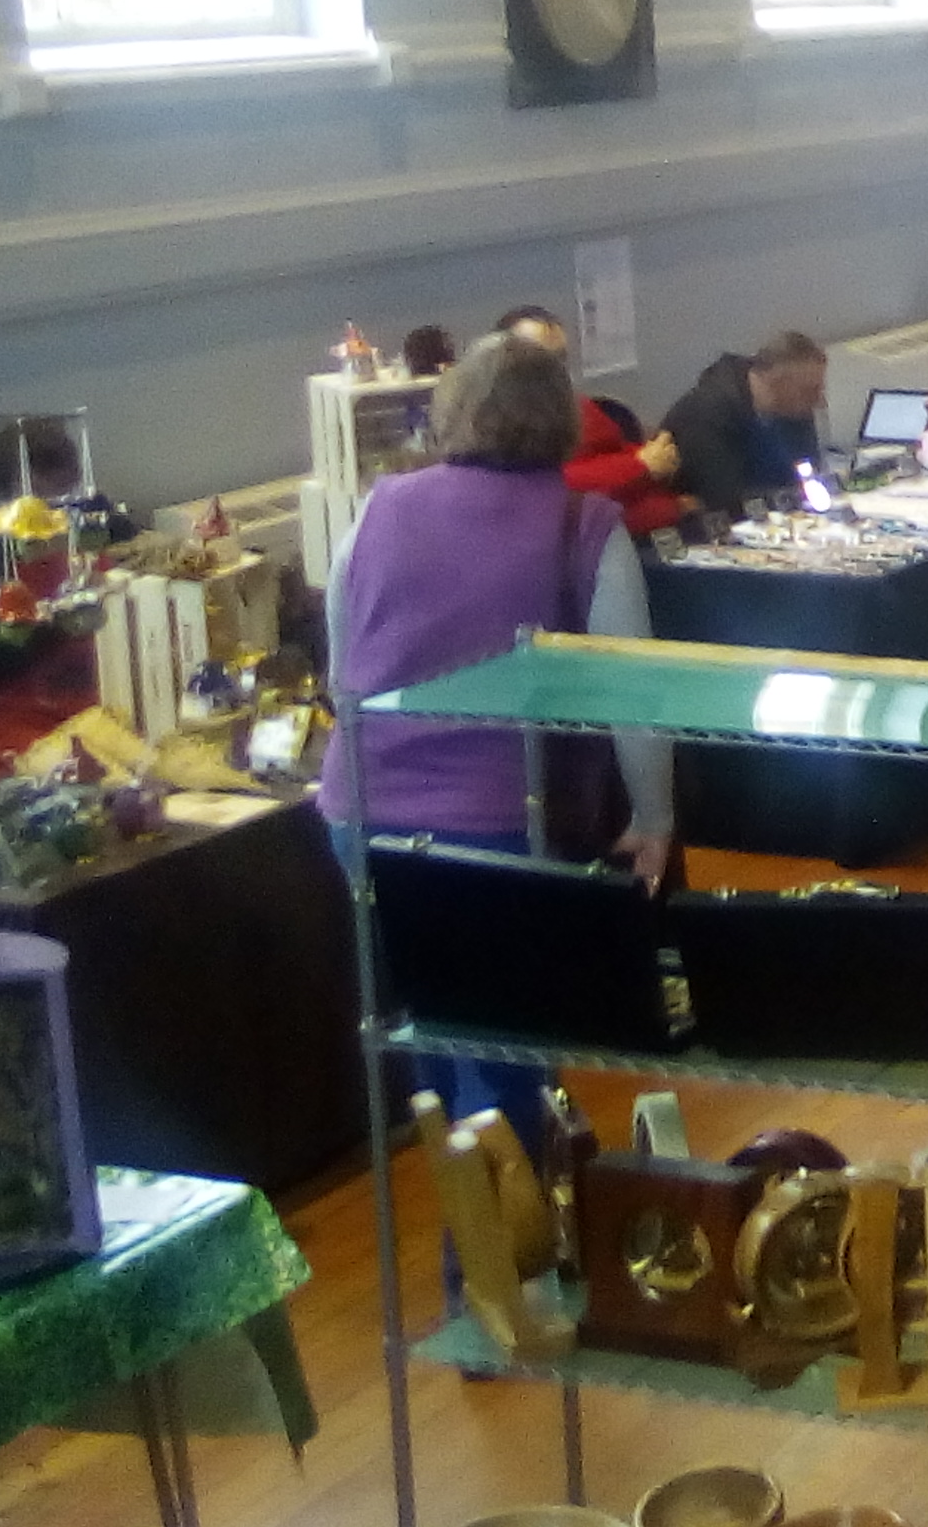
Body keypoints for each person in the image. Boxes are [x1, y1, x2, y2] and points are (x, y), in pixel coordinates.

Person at [328, 334, 676, 1153]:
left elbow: (342, 671)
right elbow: (636, 693)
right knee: (506, 1052)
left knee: (432, 1032)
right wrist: (654, 818)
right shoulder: (584, 523)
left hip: (362, 809)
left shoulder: (380, 505)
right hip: (497, 819)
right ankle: (504, 1228)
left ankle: (474, 1218)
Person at [498, 305, 689, 536]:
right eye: (542, 360)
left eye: (561, 359)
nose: (557, 371)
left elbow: (612, 451)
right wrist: (641, 467)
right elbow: (546, 488)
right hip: (596, 544)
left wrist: (658, 456)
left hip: (649, 532)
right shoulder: (499, 424)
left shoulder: (575, 405)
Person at [659, 330, 830, 519]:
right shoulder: (705, 414)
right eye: (810, 390)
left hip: (773, 519)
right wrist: (792, 496)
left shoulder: (794, 410)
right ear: (777, 382)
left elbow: (807, 476)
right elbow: (726, 499)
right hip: (704, 528)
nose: (819, 401)